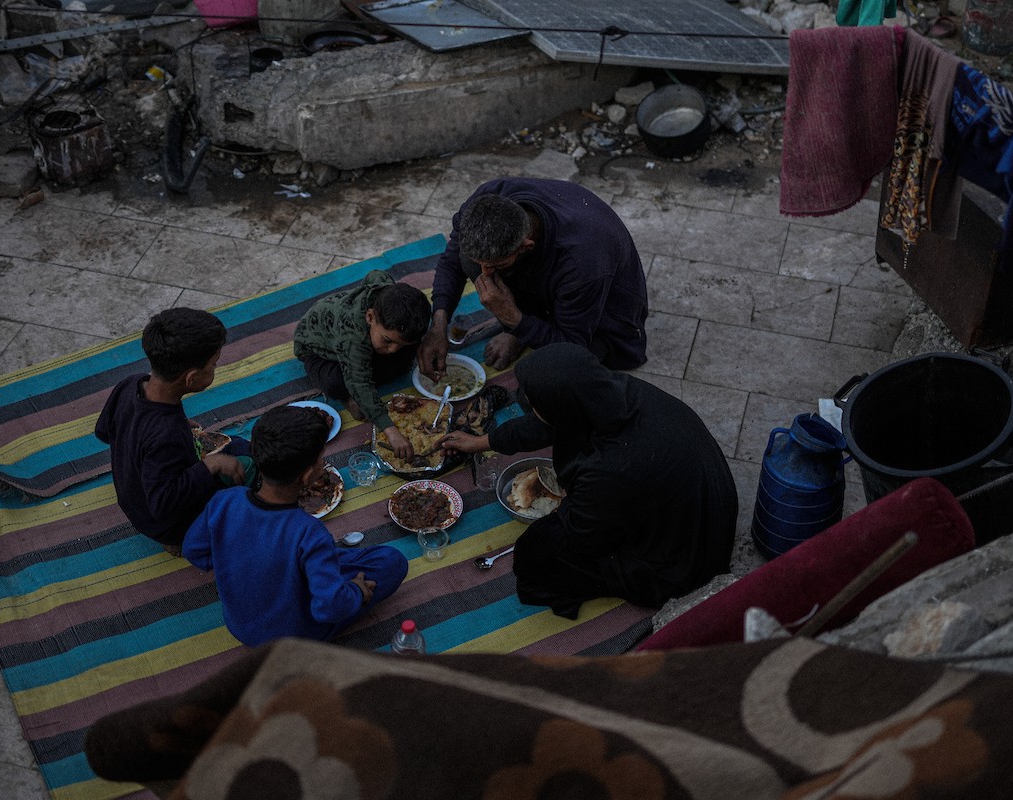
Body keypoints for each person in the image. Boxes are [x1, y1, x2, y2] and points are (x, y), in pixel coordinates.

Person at [439, 343, 737, 618]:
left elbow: (586, 537)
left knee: (536, 551)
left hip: (681, 561)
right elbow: (549, 423)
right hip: (699, 507)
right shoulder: (609, 392)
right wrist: (482, 442)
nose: (533, 409)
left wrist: (564, 514)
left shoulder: (611, 469)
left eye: (535, 404)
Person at [183, 405, 409, 647]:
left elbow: (193, 550)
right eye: (322, 458)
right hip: (294, 637)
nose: (324, 463)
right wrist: (355, 592)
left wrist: (239, 566)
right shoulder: (308, 532)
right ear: (307, 475)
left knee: (312, 561)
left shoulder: (225, 500)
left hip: (241, 625)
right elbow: (329, 608)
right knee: (391, 561)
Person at [418, 177, 649, 380]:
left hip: (603, 321)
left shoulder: (582, 262)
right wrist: (438, 326)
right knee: (467, 261)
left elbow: (571, 345)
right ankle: (525, 327)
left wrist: (515, 321)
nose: (486, 273)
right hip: (553, 287)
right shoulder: (489, 197)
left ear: (526, 246)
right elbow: (451, 261)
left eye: (497, 265)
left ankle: (523, 330)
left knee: (543, 384)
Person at [95, 308, 251, 555]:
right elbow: (163, 504)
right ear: (191, 378)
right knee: (244, 475)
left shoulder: (130, 384)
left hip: (133, 501)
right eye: (214, 364)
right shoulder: (167, 433)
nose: (215, 368)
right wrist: (210, 466)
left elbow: (104, 432)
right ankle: (180, 538)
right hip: (162, 520)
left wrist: (145, 433)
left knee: (236, 447)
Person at [293, 269, 431, 461]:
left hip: (360, 344)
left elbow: (375, 274)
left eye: (397, 344)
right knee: (338, 383)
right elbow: (360, 382)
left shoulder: (388, 293)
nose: (393, 349)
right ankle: (350, 398)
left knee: (404, 356)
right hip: (319, 352)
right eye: (387, 340)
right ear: (369, 317)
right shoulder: (353, 336)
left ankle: (370, 376)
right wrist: (390, 431)